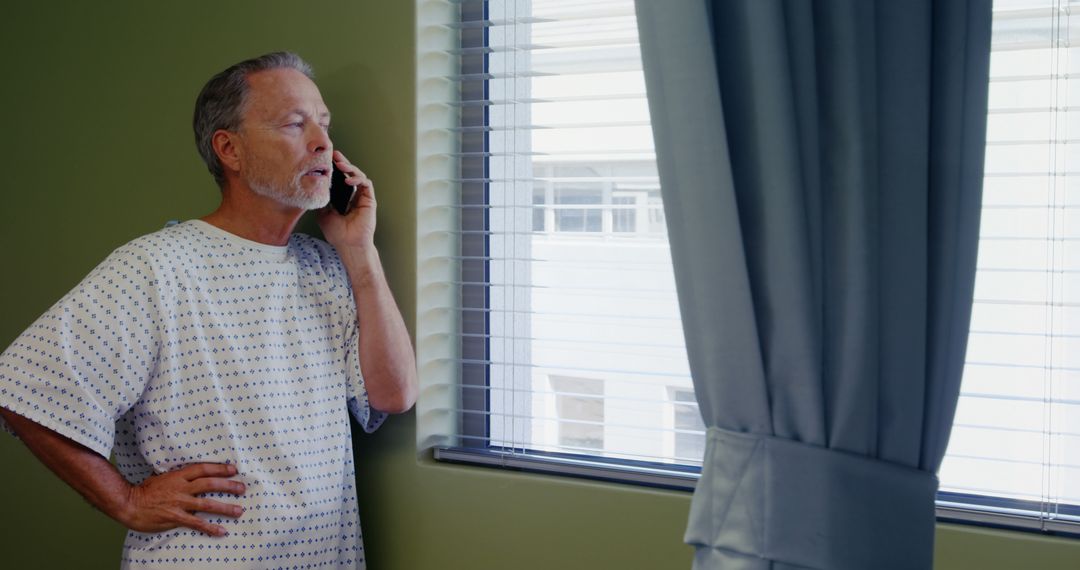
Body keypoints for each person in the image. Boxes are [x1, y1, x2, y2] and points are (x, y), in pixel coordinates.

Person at [0, 51, 417, 569]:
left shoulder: (328, 266)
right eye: (295, 124)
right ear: (230, 149)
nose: (322, 143)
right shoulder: (156, 268)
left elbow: (394, 395)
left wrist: (360, 251)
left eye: (324, 125)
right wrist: (126, 500)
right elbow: (21, 387)